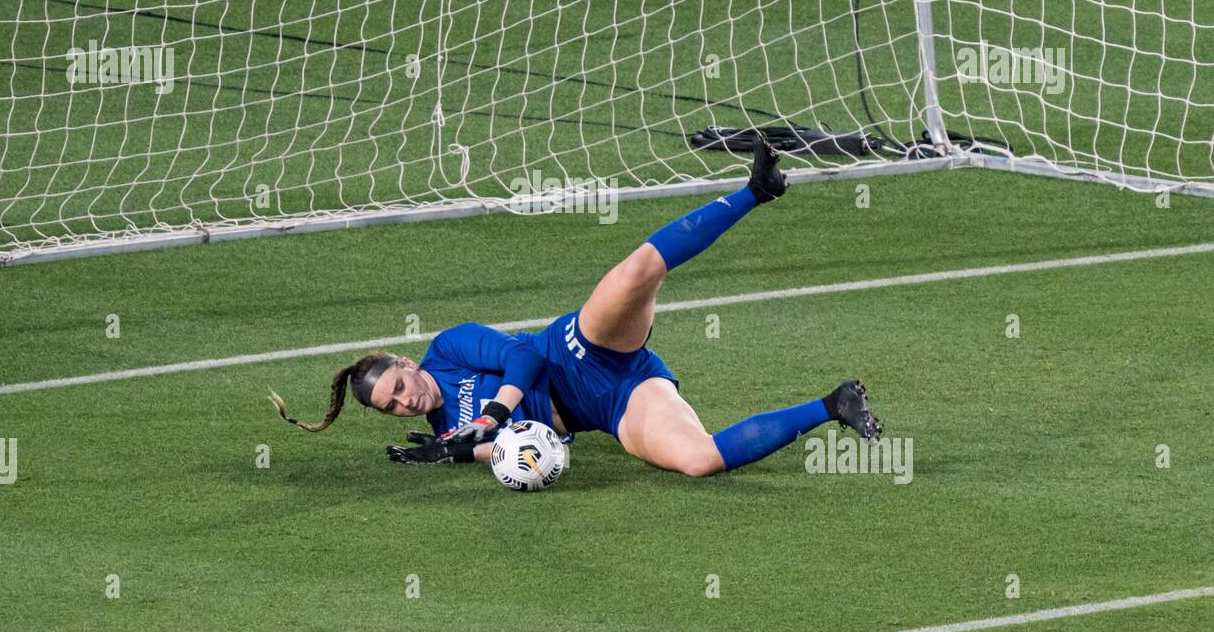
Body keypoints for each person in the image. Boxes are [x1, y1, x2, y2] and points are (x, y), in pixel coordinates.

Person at [270, 135, 881, 476]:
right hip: (609, 403)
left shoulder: (449, 347)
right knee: (700, 461)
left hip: (577, 349)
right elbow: (514, 448)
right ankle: (834, 403)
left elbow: (521, 361)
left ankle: (755, 190)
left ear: (406, 361)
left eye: (398, 385)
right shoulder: (443, 430)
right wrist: (458, 448)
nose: (406, 402)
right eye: (393, 407)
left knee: (637, 270)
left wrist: (490, 416)